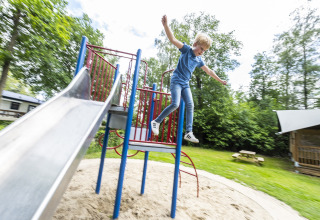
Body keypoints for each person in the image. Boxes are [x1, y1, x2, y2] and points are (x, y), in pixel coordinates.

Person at [151, 15, 227, 143]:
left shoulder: (199, 60)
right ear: (195, 44)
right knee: (175, 104)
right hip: (176, 81)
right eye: (201, 49)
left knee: (190, 104)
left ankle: (189, 132)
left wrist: (220, 80)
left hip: (185, 84)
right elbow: (173, 39)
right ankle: (156, 121)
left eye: (204, 51)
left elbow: (209, 71)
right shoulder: (186, 50)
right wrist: (166, 26)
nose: (202, 52)